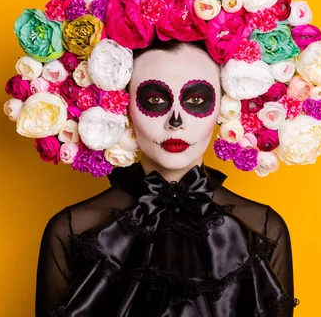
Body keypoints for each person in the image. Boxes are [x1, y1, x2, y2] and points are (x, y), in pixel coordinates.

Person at [35, 40, 300, 316]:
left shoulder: (263, 230)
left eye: (196, 100)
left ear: (225, 107)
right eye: (155, 100)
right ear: (122, 107)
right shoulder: (72, 230)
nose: (175, 121)